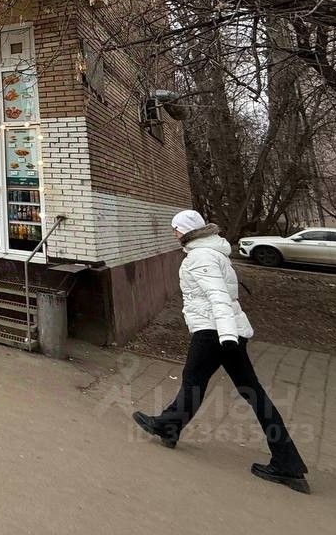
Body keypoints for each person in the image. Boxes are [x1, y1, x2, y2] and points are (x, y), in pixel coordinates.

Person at [133, 210, 310, 493]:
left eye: (175, 229)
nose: (174, 233)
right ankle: (287, 461)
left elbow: (219, 296)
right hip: (225, 331)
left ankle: (168, 426)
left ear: (185, 230)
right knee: (247, 391)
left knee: (195, 382)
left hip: (215, 332)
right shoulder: (212, 252)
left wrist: (226, 336)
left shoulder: (200, 256)